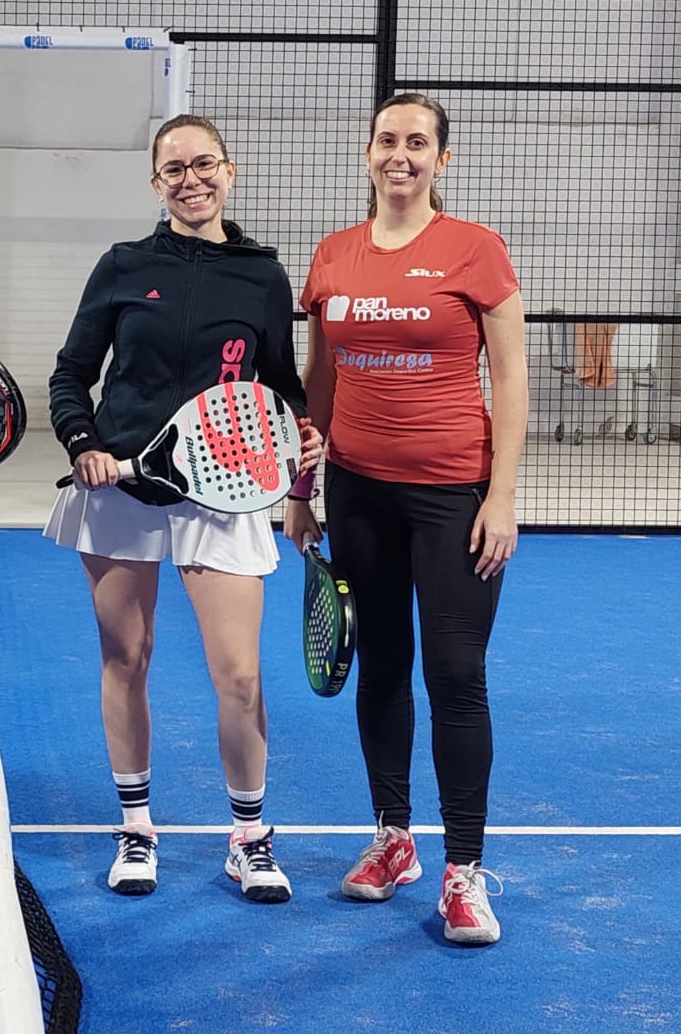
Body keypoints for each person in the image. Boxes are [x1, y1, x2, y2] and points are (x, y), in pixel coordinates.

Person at [47, 115, 316, 903]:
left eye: (204, 165)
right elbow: (70, 374)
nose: (190, 179)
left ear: (229, 172)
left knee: (239, 676)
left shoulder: (262, 276)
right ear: (156, 182)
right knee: (126, 659)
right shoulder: (123, 265)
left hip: (222, 491)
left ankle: (249, 839)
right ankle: (136, 828)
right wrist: (82, 442)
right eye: (174, 169)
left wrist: (298, 432)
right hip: (120, 491)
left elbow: (279, 384)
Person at [284, 92, 527, 946]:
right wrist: (301, 490)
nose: (401, 154)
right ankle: (394, 837)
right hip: (357, 490)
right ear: (367, 153)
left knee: (456, 674)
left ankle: (464, 871)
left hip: (453, 493)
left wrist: (501, 496)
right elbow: (320, 381)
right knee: (382, 666)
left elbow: (511, 378)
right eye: (387, 140)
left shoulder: (475, 249)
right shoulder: (334, 255)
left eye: (418, 143)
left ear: (441, 160)